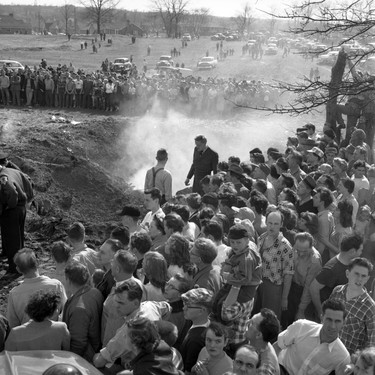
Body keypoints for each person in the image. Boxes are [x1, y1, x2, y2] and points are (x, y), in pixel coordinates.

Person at [93, 279, 171, 368]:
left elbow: (99, 362)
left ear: (136, 303)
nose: (116, 306)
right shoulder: (150, 306)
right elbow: (167, 307)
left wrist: (93, 357)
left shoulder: (128, 331)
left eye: (121, 303)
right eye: (116, 301)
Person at [275, 298, 350, 375]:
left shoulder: (342, 357)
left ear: (344, 322)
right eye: (329, 320)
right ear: (322, 317)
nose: (333, 326)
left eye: (337, 321)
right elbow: (277, 346)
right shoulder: (301, 326)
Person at [6, 248, 67, 328]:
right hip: (55, 333)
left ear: (18, 270)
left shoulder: (14, 294)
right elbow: (65, 310)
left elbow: (12, 323)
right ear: (37, 263)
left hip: (27, 337)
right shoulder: (56, 285)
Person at [310, 233, 363, 319]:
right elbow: (313, 288)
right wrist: (321, 312)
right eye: (360, 250)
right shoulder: (332, 269)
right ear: (352, 251)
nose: (362, 252)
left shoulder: (351, 262)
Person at [329, 257, 375, 354]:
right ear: (347, 274)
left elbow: (371, 345)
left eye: (363, 276)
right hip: (327, 350)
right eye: (356, 274)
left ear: (367, 279)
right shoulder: (337, 291)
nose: (359, 279)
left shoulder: (370, 308)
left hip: (347, 361)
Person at [256, 210, 294, 320]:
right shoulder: (262, 237)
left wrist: (284, 298)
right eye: (270, 223)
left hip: (273, 287)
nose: (272, 226)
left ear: (281, 225)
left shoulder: (285, 246)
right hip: (259, 282)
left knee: (269, 319)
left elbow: (289, 273)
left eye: (276, 224)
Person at [63, 261, 103, 362]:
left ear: (68, 280)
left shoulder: (78, 309)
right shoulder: (95, 292)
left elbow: (78, 343)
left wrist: (70, 362)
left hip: (85, 358)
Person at [5, 290, 70, 351]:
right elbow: (67, 351)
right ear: (52, 311)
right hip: (53, 363)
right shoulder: (61, 328)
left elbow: (8, 356)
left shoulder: (15, 333)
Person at [116, 316, 182, 375]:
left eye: (125, 335)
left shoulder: (143, 369)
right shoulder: (161, 348)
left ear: (134, 341)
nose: (123, 336)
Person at [0, 165, 33, 275]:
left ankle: (15, 268)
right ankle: (9, 254)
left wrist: (10, 205)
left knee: (12, 240)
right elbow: (28, 182)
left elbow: (12, 192)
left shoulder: (3, 176)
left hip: (12, 210)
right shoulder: (13, 170)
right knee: (18, 237)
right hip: (21, 208)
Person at [285, 232, 322, 324]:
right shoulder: (295, 248)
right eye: (298, 250)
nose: (300, 254)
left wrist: (301, 309)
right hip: (292, 288)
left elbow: (308, 288)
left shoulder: (315, 261)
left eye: (304, 251)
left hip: (304, 293)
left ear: (311, 246)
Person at [180, 288, 214, 375]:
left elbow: (188, 371)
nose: (184, 308)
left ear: (202, 311)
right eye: (184, 304)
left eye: (188, 306)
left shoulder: (195, 340)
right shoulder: (210, 324)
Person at [245, 308, 280, 375]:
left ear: (258, 335)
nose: (247, 322)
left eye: (251, 323)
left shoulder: (264, 369)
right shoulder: (259, 343)